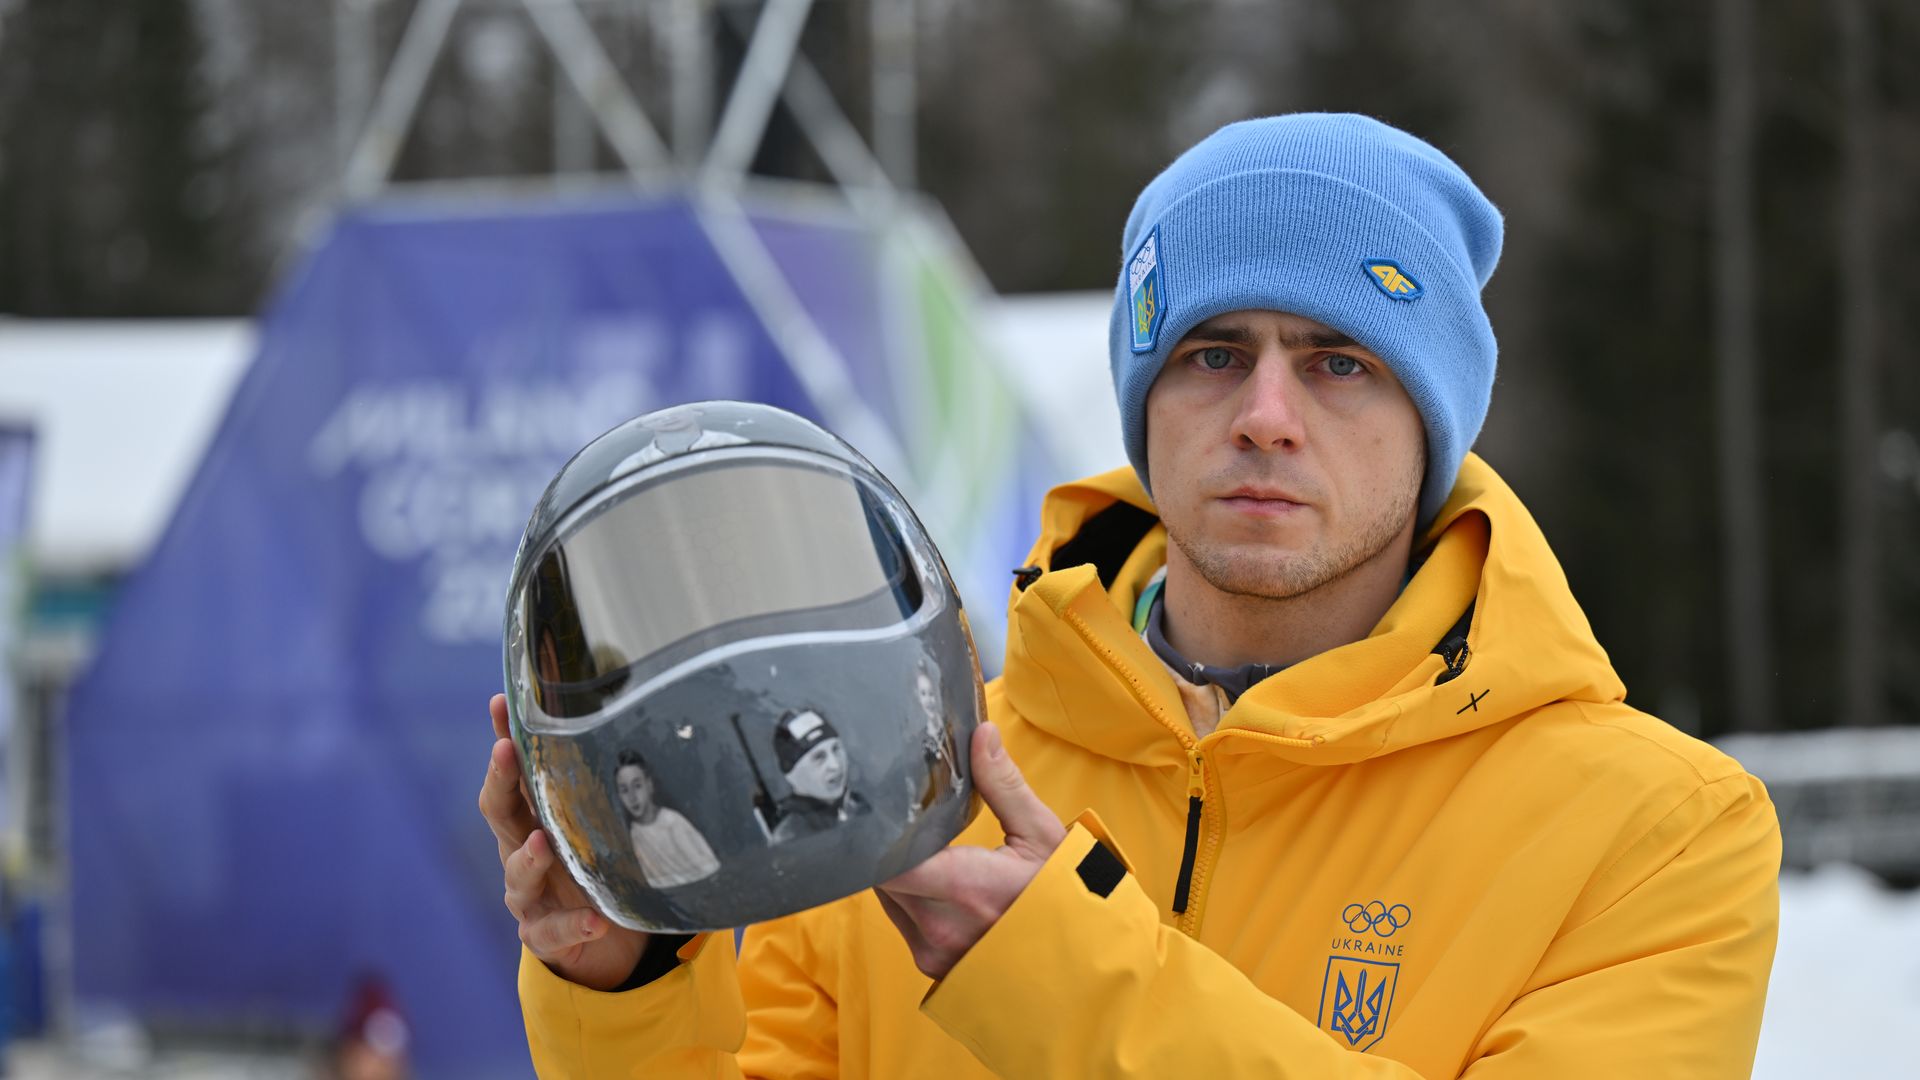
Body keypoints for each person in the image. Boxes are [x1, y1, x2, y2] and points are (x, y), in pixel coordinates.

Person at [479, 114, 1780, 1076]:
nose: (1265, 415)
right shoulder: (904, 780)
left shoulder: (1657, 830)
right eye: (1212, 353)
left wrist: (1062, 977)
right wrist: (624, 992)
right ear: (1144, 400)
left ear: (1434, 420)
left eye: (1339, 363)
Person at [615, 749, 720, 889]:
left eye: (637, 786)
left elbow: (709, 867)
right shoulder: (634, 833)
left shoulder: (672, 822)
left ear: (649, 785)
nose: (632, 797)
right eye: (624, 790)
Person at [767, 709, 871, 844]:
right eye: (818, 757)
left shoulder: (857, 804)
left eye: (836, 749)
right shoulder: (791, 834)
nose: (835, 765)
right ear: (792, 774)